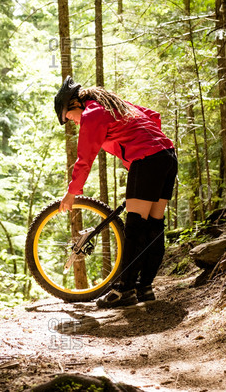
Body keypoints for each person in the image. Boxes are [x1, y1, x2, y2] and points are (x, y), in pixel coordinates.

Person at [54, 75, 178, 308]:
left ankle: (125, 290)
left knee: (135, 226)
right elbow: (153, 116)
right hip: (167, 156)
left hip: (148, 159)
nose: (73, 122)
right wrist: (142, 148)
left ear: (75, 104)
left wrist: (72, 192)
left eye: (70, 117)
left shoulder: (92, 114)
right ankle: (145, 287)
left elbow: (84, 158)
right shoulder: (114, 106)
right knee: (153, 224)